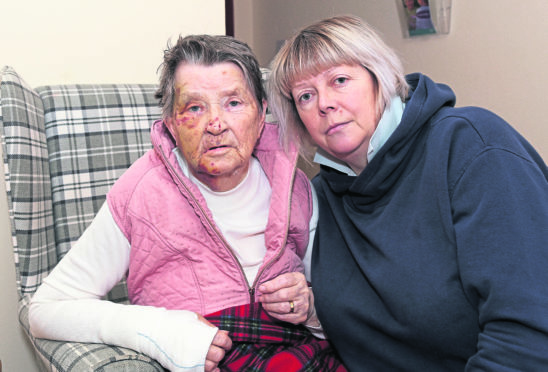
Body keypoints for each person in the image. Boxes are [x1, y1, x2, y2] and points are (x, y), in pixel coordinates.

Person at [29, 34, 346, 372]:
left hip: (300, 355)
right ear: (172, 126)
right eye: (195, 107)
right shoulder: (140, 193)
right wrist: (161, 331)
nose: (216, 124)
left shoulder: (297, 187)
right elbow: (46, 309)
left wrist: (310, 306)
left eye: (233, 103)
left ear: (261, 115)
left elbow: (337, 303)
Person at [268, 14, 548, 371]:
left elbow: (528, 335)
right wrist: (308, 310)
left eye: (339, 80)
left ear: (378, 79)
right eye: (306, 96)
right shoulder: (316, 200)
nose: (324, 103)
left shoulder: (471, 147)